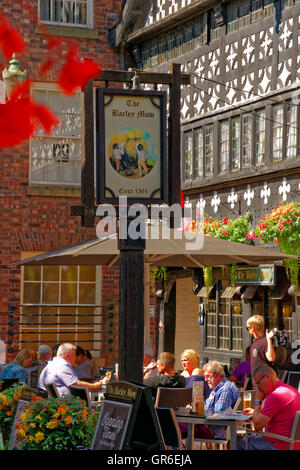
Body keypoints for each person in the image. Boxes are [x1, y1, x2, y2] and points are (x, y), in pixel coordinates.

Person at [238, 364, 300, 450]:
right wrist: (256, 413)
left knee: (236, 442)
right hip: (292, 445)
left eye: (258, 383)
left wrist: (258, 401)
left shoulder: (276, 395)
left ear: (267, 377)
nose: (258, 388)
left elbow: (257, 426)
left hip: (278, 444)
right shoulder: (291, 390)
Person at [38, 343, 102, 396]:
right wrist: (95, 386)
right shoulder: (62, 365)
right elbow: (75, 384)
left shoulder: (54, 363)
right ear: (67, 356)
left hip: (53, 402)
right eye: (74, 355)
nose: (75, 358)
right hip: (62, 405)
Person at [203, 360, 240, 439]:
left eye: (207, 376)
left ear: (216, 375)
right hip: (215, 427)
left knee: (189, 430)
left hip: (219, 430)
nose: (205, 380)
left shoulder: (225, 389)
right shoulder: (218, 388)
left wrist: (201, 411)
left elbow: (219, 415)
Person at [246, 315, 277, 380]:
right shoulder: (254, 344)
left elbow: (271, 358)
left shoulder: (265, 341)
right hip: (258, 384)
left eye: (248, 328)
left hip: (267, 384)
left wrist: (269, 340)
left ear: (252, 328)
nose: (248, 330)